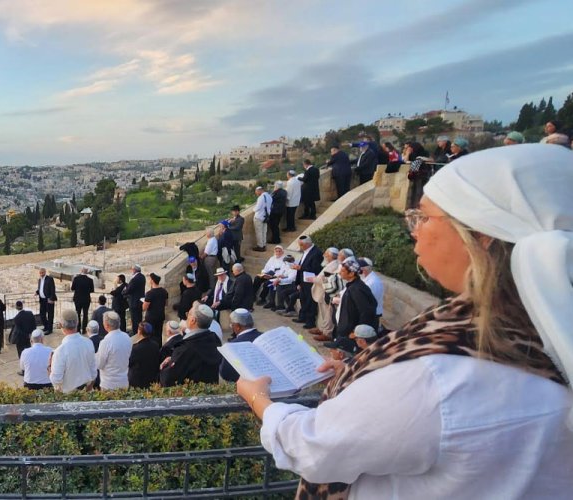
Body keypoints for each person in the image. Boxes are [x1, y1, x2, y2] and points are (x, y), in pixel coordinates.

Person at [237, 144, 573, 497]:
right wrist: (358, 375)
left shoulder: (440, 375)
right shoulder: (538, 329)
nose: (413, 229)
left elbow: (315, 448)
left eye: (424, 217)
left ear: (481, 235)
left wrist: (259, 399)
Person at [160, 303, 222, 386]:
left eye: (188, 314)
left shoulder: (186, 348)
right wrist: (173, 358)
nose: (186, 318)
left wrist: (167, 366)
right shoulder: (213, 339)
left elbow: (167, 380)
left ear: (193, 320)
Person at [49, 309, 96, 393]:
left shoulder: (60, 351)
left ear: (60, 325)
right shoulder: (88, 342)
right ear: (77, 323)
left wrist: (49, 369)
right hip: (87, 393)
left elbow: (56, 380)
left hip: (69, 397)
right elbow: (93, 372)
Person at [333, 257, 378, 339]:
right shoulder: (353, 286)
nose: (339, 272)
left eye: (343, 271)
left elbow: (366, 311)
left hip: (352, 333)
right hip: (346, 329)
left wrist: (356, 332)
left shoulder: (357, 289)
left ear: (351, 274)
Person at [219, 309, 262, 382]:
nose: (231, 327)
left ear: (238, 326)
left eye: (232, 325)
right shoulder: (263, 337)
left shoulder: (232, 345)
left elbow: (225, 373)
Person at [308, 247, 340, 341]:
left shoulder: (334, 265)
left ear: (331, 256)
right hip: (322, 292)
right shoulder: (330, 264)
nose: (324, 255)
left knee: (327, 314)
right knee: (322, 312)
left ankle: (327, 333)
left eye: (326, 254)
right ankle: (322, 329)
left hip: (327, 292)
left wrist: (314, 279)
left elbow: (327, 280)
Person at [293, 235, 324, 329]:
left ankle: (310, 322)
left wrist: (301, 268)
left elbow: (316, 268)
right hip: (303, 281)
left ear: (307, 244)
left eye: (301, 245)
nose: (300, 247)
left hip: (311, 281)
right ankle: (302, 317)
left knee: (310, 302)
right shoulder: (306, 251)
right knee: (303, 299)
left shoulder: (316, 252)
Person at [96, 311, 132, 390]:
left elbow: (99, 364)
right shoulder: (127, 337)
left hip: (109, 384)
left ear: (106, 325)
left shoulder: (105, 342)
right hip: (124, 381)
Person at [128, 322, 161, 388]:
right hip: (152, 378)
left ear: (139, 332)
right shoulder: (155, 345)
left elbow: (129, 363)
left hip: (137, 381)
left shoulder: (135, 348)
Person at [143, 273, 168, 346]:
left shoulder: (149, 293)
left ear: (152, 281)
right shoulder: (164, 291)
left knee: (150, 335)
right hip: (160, 315)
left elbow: (144, 308)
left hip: (151, 317)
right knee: (159, 334)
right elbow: (166, 304)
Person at [359, 257, 384, 326]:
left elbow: (367, 302)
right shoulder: (367, 279)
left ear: (363, 270)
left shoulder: (372, 283)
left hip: (371, 316)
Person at [124, 264, 146, 334]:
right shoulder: (142, 277)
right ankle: (140, 331)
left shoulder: (134, 279)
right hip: (140, 301)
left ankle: (135, 333)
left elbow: (129, 290)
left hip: (134, 302)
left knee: (134, 319)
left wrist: (124, 291)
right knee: (139, 318)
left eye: (132, 269)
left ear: (134, 270)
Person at [35, 268, 57, 334]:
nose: (41, 274)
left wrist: (51, 298)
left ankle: (50, 330)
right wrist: (37, 292)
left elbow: (53, 289)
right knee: (42, 314)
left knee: (50, 315)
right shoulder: (39, 280)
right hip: (42, 300)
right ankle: (46, 326)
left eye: (42, 272)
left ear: (45, 272)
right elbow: (41, 289)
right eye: (40, 273)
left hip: (48, 300)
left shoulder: (49, 279)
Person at [252, 186, 272, 251]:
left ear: (259, 190)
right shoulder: (269, 196)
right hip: (266, 217)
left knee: (259, 232)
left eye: (256, 192)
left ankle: (260, 246)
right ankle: (263, 245)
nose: (256, 194)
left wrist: (253, 209)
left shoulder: (261, 198)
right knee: (264, 231)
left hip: (259, 217)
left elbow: (257, 208)